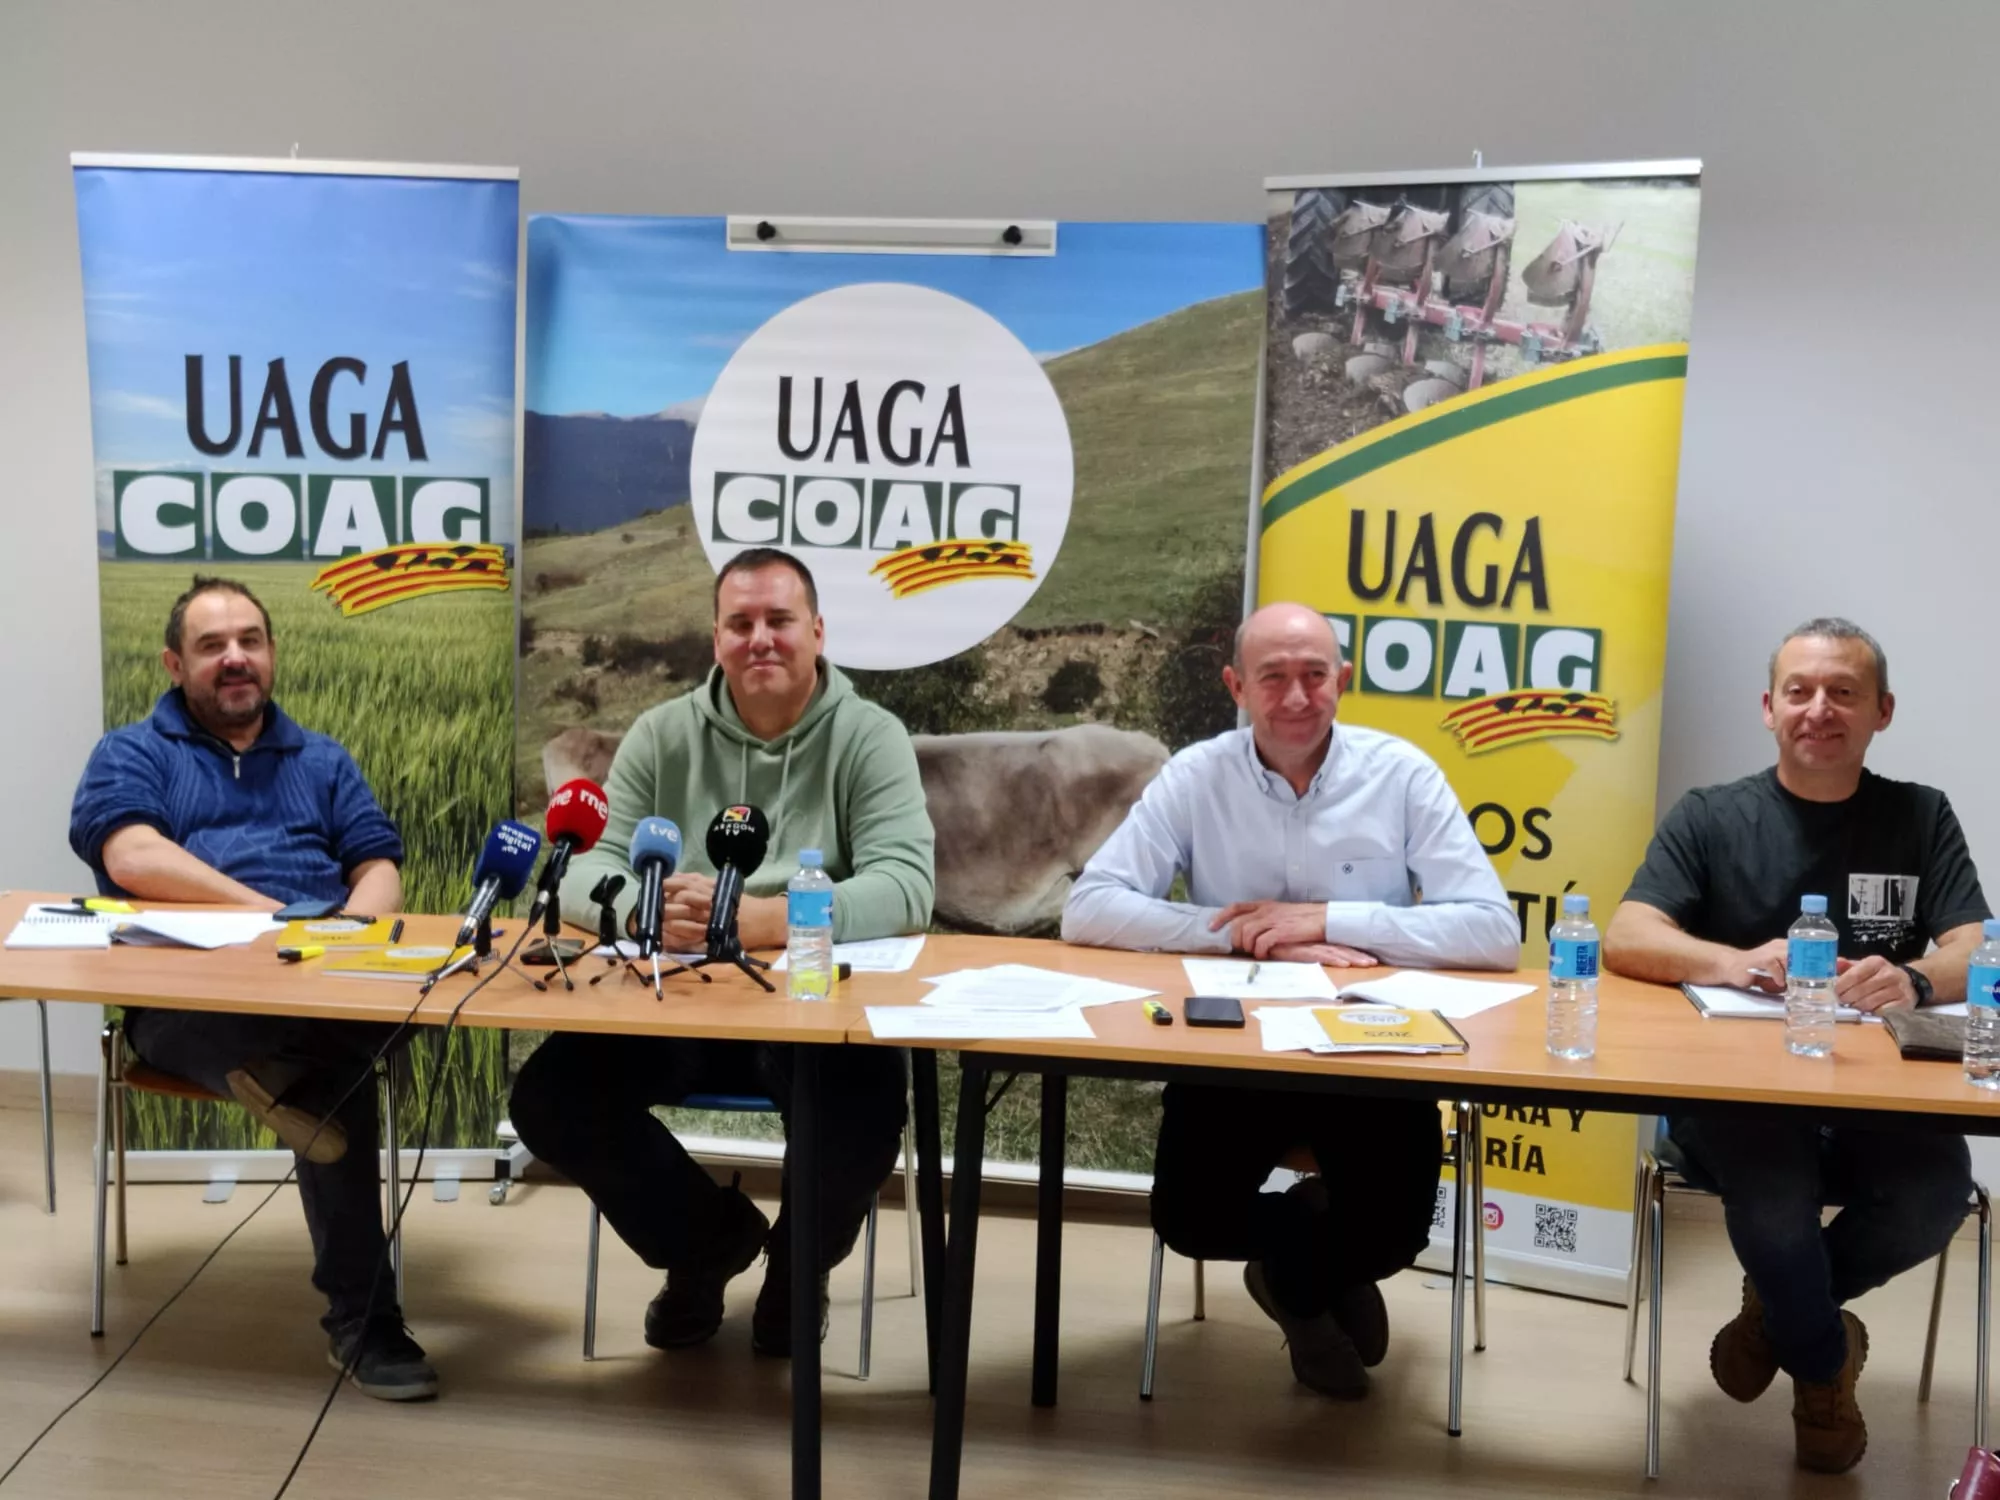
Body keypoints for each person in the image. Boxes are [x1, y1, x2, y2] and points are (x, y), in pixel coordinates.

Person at [1063, 602, 1519, 1399]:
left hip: (1371, 1050)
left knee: (1395, 1232)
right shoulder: (1197, 775)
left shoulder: (1402, 774)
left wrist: (1331, 920)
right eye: (1273, 677)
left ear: (1344, 680)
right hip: (1235, 1047)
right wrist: (1239, 934)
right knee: (1189, 1219)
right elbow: (1090, 906)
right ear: (1237, 686)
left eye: (1315, 675)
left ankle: (1294, 1282)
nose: (1297, 696)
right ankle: (1309, 1275)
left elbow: (1493, 932)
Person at [509, 547, 934, 1357]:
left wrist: (755, 920)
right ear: (716, 639)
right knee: (550, 1096)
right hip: (676, 1003)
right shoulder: (661, 734)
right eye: (740, 624)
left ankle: (794, 1269)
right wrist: (643, 910)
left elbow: (905, 886)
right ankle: (706, 1247)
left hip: (808, 1005)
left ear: (817, 631)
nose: (760, 639)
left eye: (779, 621)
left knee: (866, 1105)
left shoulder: (870, 736)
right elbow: (580, 869)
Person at [1604, 616, 1987, 1475]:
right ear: (1768, 707)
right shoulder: (1711, 815)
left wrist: (1918, 977)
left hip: (1874, 1090)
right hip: (1737, 1095)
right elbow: (1628, 933)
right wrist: (1730, 960)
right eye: (1801, 691)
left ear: (1881, 711)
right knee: (1775, 1204)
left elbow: (1978, 946)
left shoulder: (1920, 815)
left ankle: (1778, 1314)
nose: (1821, 709)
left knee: (1937, 1195)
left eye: (1844, 693)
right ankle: (1820, 1366)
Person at [68, 575, 433, 1400]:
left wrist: (349, 942)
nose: (235, 658)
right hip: (188, 1000)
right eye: (211, 646)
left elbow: (377, 864)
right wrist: (273, 919)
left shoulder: (323, 759)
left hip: (318, 984)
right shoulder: (131, 752)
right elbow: (132, 856)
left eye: (250, 642)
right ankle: (366, 1326)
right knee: (331, 1078)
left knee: (407, 1008)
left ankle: (282, 1080)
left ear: (270, 653)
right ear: (174, 663)